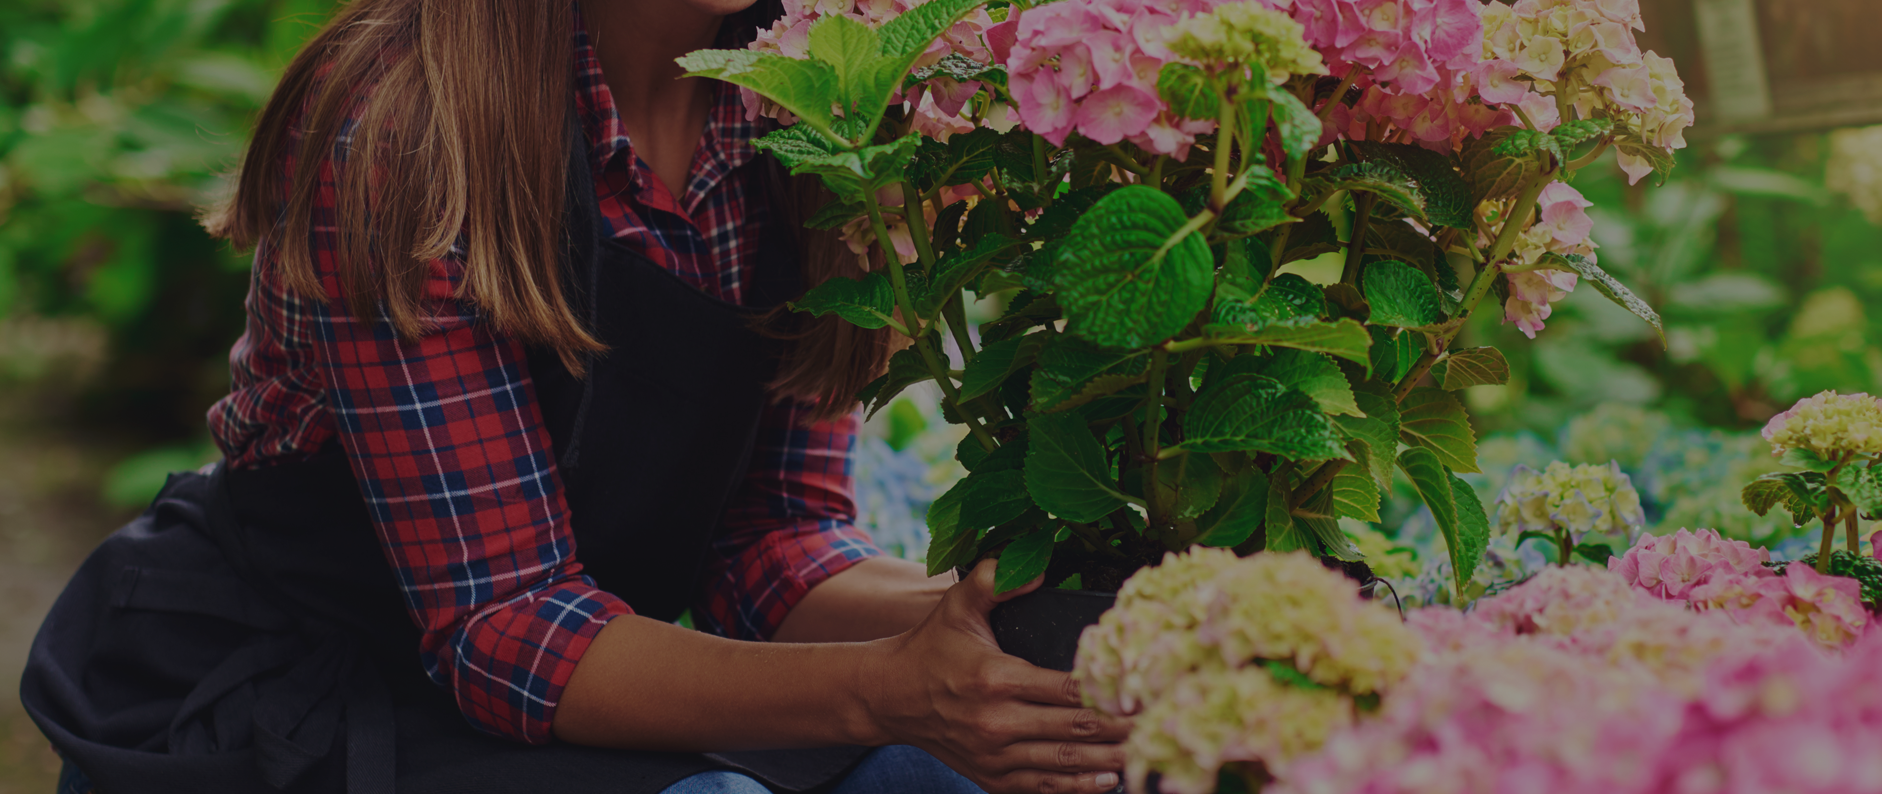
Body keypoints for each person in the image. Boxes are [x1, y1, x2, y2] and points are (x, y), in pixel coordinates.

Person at [18, 0, 1131, 792]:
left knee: (927, 776)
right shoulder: (403, 125)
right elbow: (502, 623)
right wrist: (887, 687)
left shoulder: (809, 99)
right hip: (302, 690)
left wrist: (1024, 629)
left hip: (585, 654)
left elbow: (771, 538)